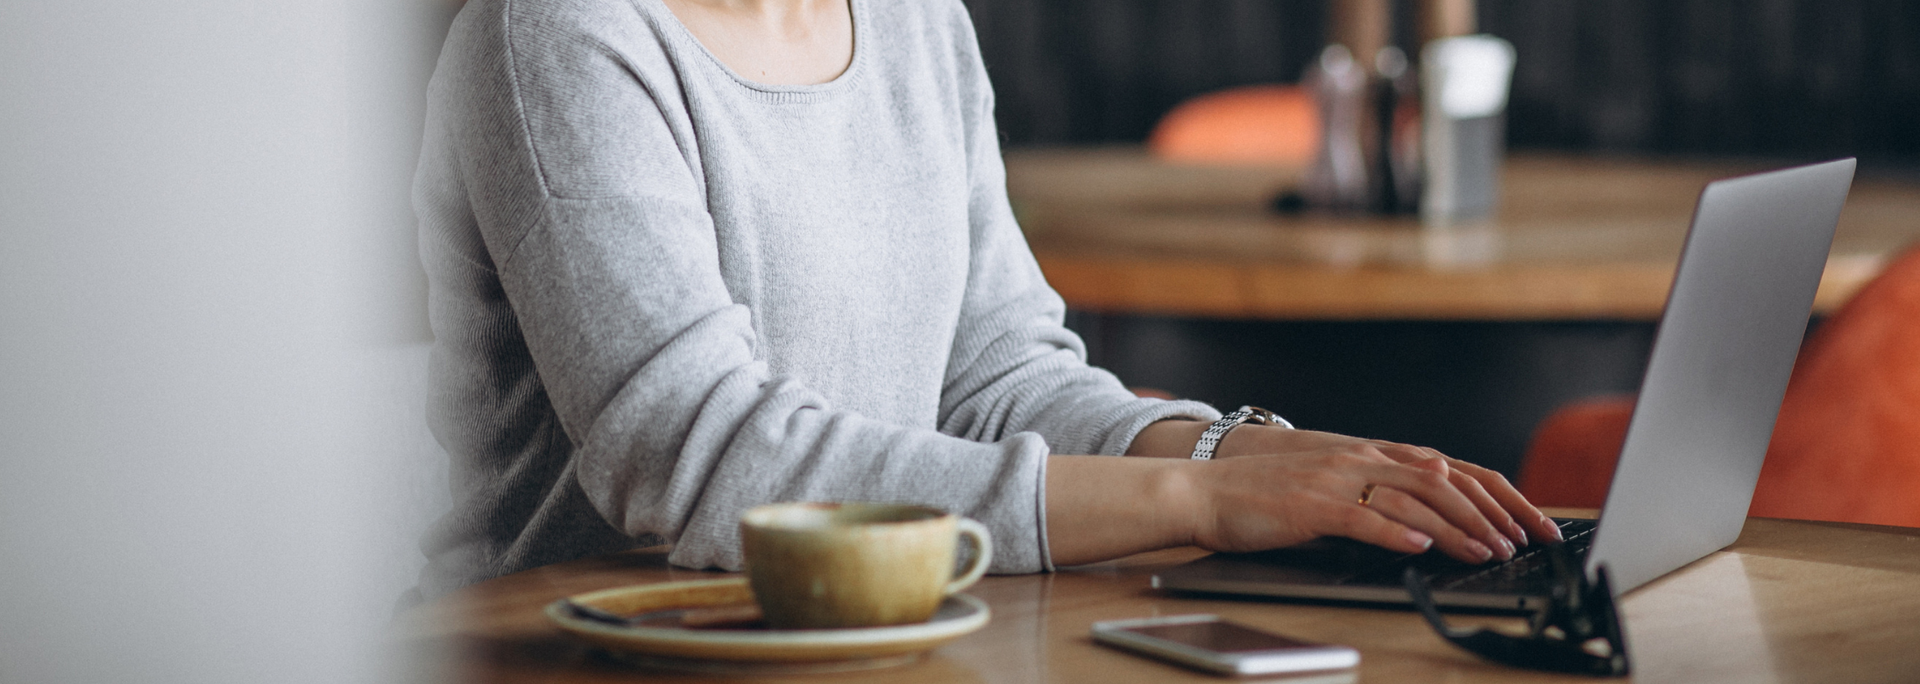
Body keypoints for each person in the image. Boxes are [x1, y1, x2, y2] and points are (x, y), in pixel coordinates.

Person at [409, 0, 1560, 601]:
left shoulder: (919, 23)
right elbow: (707, 461)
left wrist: (1245, 459)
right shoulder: (557, 34)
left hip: (879, 633)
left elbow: (1001, 376)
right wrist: (1197, 503)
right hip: (587, 653)